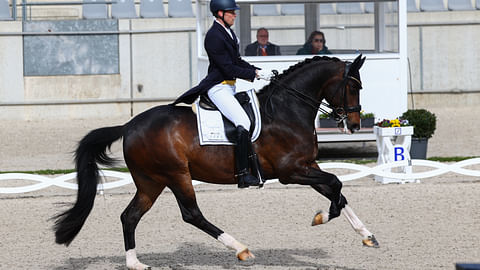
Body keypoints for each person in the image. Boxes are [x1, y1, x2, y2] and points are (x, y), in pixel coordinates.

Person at [171, 0, 272, 188]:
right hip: (218, 86)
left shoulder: (228, 32)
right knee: (243, 122)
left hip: (230, 86)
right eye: (231, 12)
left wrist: (258, 70)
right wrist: (254, 74)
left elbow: (237, 60)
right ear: (220, 13)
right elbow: (227, 68)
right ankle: (243, 174)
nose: (234, 15)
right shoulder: (214, 36)